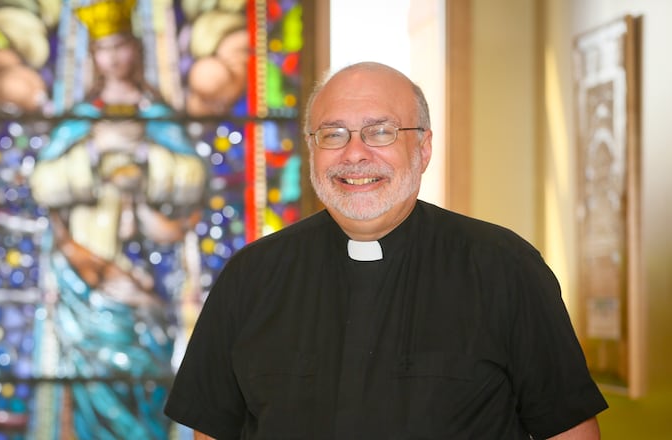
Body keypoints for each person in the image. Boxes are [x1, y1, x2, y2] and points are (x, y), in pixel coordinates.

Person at [163, 61, 608, 439]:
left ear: (424, 147)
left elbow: (568, 429)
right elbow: (211, 430)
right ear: (312, 148)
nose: (354, 154)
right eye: (333, 134)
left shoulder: (504, 268)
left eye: (380, 132)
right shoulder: (251, 277)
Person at [29, 0, 206, 438]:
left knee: (148, 368)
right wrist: (93, 151)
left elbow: (194, 178)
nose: (113, 57)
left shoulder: (157, 116)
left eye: (120, 46)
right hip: (92, 269)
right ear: (94, 56)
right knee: (97, 373)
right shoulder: (82, 121)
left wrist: (147, 154)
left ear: (135, 49)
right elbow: (43, 183)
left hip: (149, 266)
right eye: (103, 48)